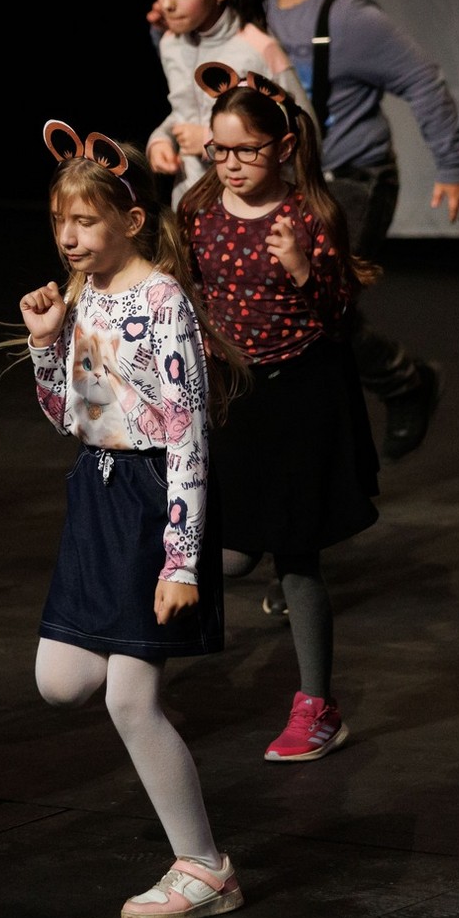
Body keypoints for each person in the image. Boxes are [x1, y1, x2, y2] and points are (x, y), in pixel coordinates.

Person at [16, 121, 244, 918]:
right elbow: (69, 416)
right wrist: (47, 346)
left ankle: (204, 866)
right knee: (60, 679)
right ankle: (201, 862)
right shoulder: (85, 295)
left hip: (153, 500)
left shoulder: (161, 299)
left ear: (131, 220)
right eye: (60, 222)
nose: (69, 237)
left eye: (85, 221)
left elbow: (188, 433)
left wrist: (181, 559)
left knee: (128, 700)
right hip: (98, 491)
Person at [178, 65, 381, 761]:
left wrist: (302, 269)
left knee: (297, 557)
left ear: (284, 147)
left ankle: (317, 706)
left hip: (300, 396)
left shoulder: (309, 216)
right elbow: (190, 288)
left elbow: (341, 318)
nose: (231, 163)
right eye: (220, 149)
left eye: (247, 150)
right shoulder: (200, 210)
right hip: (234, 396)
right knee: (231, 554)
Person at [258, 0, 459, 461]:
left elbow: (423, 80)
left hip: (352, 181)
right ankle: (388, 392)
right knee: (284, 308)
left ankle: (401, 385)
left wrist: (453, 166)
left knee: (318, 304)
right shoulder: (256, 13)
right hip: (288, 185)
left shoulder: (349, 20)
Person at [140, 0, 312, 203]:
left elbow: (304, 131)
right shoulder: (171, 44)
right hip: (190, 201)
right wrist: (161, 139)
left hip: (253, 207)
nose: (167, 2)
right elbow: (185, 112)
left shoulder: (258, 49)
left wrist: (211, 140)